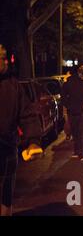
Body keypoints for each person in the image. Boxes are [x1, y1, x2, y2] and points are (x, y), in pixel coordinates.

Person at [0, 44, 42, 216]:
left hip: (7, 150)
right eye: (1, 58)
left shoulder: (13, 87)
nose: (5, 62)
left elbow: (28, 115)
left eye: (4, 58)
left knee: (6, 193)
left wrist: (33, 142)